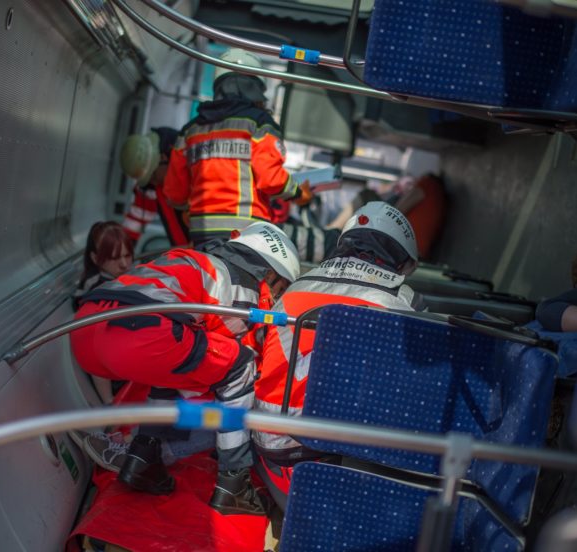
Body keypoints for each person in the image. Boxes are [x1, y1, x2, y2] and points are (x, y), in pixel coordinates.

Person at [70, 222, 300, 515]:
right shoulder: (240, 283)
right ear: (267, 271)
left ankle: (143, 458)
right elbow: (231, 358)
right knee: (240, 366)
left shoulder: (194, 260)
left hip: (86, 328)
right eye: (278, 286)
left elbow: (198, 361)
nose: (273, 296)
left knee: (181, 358)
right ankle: (234, 485)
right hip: (138, 334)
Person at [252, 203, 424, 482]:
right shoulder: (402, 299)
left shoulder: (298, 286)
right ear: (399, 258)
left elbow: (262, 343)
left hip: (268, 436)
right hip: (323, 445)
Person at [163, 48, 312, 246]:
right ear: (255, 88)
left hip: (201, 233)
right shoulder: (259, 124)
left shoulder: (189, 131)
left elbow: (174, 193)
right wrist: (299, 193)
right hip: (246, 233)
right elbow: (270, 179)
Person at [121, 128, 190, 249]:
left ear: (163, 158)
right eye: (147, 180)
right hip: (186, 258)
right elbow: (134, 223)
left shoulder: (192, 170)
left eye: (152, 176)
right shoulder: (151, 186)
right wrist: (121, 248)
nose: (152, 182)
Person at [72, 221, 134, 311]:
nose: (124, 265)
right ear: (95, 258)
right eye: (114, 258)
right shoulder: (94, 286)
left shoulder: (135, 273)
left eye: (127, 256)